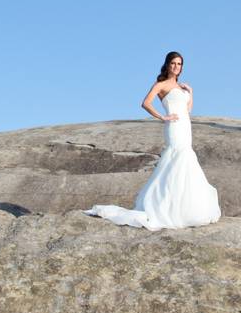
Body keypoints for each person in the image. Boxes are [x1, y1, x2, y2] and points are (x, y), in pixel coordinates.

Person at [84, 51, 222, 230]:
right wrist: (163, 117)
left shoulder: (182, 87)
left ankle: (183, 207)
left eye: (179, 64)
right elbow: (146, 103)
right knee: (177, 159)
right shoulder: (161, 85)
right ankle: (167, 208)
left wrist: (191, 93)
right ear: (167, 65)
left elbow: (187, 110)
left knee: (186, 159)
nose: (176, 67)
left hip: (185, 126)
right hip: (173, 127)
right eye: (173, 63)